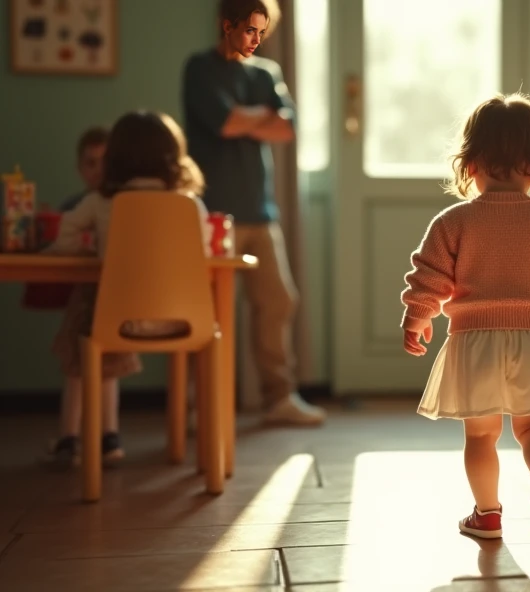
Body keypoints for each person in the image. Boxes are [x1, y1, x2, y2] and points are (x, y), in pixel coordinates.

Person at [400, 94, 530, 539]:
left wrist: (417, 316)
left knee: (480, 437)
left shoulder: (452, 221)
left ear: (470, 163)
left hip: (475, 341)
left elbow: (429, 275)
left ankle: (487, 513)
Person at [42, 111, 211, 467]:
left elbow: (64, 238)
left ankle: (73, 440)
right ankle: (210, 462)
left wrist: (92, 248)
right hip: (183, 324)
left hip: (118, 324)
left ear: (114, 159)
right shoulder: (189, 205)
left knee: (85, 317)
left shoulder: (101, 202)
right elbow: (205, 253)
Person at [182, 0, 324, 426]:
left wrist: (247, 119)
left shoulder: (266, 73)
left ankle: (279, 397)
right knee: (202, 308)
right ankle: (198, 404)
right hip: (211, 214)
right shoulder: (199, 69)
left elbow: (286, 128)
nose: (256, 39)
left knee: (279, 301)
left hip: (260, 212)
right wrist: (258, 117)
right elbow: (225, 123)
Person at [61, 126, 108, 212]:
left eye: (105, 162)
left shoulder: (123, 205)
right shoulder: (70, 208)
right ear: (80, 169)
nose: (99, 170)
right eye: (91, 164)